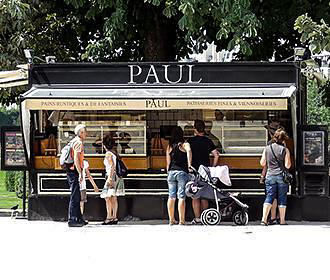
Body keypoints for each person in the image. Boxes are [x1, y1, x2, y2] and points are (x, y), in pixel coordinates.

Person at [187, 120, 220, 224]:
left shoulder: (190, 141)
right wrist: (212, 167)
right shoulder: (208, 141)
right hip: (205, 172)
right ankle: (205, 218)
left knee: (195, 195)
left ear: (195, 129)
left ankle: (197, 218)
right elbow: (216, 155)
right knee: (204, 196)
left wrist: (189, 165)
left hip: (194, 171)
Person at [260, 128, 291, 226]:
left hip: (270, 175)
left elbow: (262, 163)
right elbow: (287, 165)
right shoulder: (285, 150)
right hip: (281, 176)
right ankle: (282, 221)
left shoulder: (267, 148)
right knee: (282, 198)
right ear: (283, 139)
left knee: (269, 197)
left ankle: (264, 220)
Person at [166, 126, 192, 225]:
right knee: (181, 196)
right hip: (182, 172)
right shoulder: (185, 144)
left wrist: (168, 172)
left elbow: (168, 162)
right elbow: (189, 151)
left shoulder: (170, 146)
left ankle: (171, 220)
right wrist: (189, 165)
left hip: (171, 172)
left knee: (171, 196)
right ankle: (182, 220)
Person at [100, 134, 125, 225]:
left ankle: (109, 217)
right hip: (116, 177)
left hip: (111, 177)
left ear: (104, 145)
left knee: (107, 197)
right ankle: (114, 217)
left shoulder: (108, 154)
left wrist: (109, 178)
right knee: (114, 197)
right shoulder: (114, 153)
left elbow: (111, 166)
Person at [67, 124, 87, 227]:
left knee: (77, 195)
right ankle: (72, 219)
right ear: (81, 133)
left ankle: (79, 218)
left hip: (72, 171)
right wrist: (80, 173)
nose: (86, 133)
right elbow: (76, 159)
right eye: (85, 131)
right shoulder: (78, 143)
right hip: (74, 171)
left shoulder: (74, 141)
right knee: (75, 196)